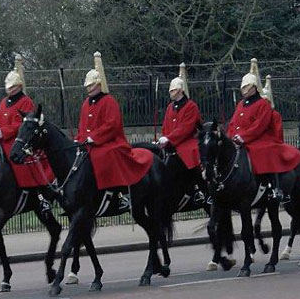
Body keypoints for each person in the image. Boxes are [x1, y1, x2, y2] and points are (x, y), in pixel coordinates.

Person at [75, 52, 153, 210]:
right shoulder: (86, 104)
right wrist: (80, 139)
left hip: (111, 142)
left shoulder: (109, 101)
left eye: (91, 86)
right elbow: (82, 126)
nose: (88, 89)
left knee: (105, 155)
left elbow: (111, 125)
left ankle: (119, 194)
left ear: (99, 85)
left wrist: (94, 138)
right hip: (91, 143)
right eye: (87, 86)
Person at [226, 58, 300, 202]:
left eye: (247, 87)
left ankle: (274, 187)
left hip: (259, 138)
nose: (243, 90)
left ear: (254, 87)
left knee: (265, 151)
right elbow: (233, 123)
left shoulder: (263, 104)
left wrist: (244, 137)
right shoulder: (241, 104)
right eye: (243, 87)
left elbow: (259, 126)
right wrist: (231, 136)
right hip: (240, 139)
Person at [0, 54, 55, 212]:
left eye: (13, 87)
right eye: (8, 87)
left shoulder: (26, 101)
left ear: (18, 86)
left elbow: (22, 125)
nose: (10, 90)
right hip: (0, 140)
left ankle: (38, 195)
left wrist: (4, 132)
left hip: (17, 140)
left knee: (19, 162)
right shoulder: (4, 101)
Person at [158, 63, 205, 207]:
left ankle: (203, 190)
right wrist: (164, 138)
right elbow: (166, 126)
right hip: (172, 145)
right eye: (170, 90)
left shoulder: (191, 106)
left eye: (173, 90)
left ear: (180, 91)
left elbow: (186, 127)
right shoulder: (170, 107)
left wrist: (170, 138)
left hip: (187, 142)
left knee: (194, 162)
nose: (171, 92)